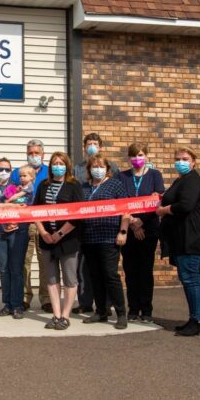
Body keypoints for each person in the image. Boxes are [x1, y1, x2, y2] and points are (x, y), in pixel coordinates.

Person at [157, 147, 200, 336]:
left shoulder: (193, 180)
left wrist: (164, 210)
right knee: (187, 278)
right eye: (178, 158)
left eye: (185, 158)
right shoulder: (181, 180)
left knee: (191, 279)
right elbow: (170, 198)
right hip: (180, 238)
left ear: (193, 162)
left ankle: (197, 320)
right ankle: (193, 318)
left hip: (191, 237)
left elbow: (186, 205)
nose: (180, 162)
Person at [34, 152, 85, 330]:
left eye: (61, 163)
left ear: (67, 166)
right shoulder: (43, 185)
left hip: (68, 239)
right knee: (52, 278)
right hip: (47, 239)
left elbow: (78, 214)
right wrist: (43, 232)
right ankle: (56, 314)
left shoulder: (74, 185)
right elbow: (35, 211)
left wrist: (60, 234)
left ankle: (65, 315)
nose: (58, 166)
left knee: (70, 278)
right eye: (55, 163)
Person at [80, 154, 130, 330]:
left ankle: (121, 313)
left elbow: (126, 209)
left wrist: (123, 231)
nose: (97, 169)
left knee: (110, 275)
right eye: (94, 166)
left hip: (109, 237)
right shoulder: (84, 187)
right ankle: (100, 311)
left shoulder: (115, 185)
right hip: (88, 238)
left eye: (101, 166)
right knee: (95, 276)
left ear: (107, 169)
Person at [72, 132, 120, 314]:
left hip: (106, 225)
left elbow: (116, 193)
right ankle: (85, 302)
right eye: (89, 143)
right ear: (84, 147)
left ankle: (106, 305)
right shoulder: (77, 168)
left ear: (100, 147)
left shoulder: (112, 166)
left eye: (95, 143)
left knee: (107, 269)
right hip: (85, 226)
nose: (92, 146)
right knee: (84, 268)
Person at [117, 143, 165, 323]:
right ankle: (133, 309)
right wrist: (132, 223)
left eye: (140, 154)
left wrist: (141, 222)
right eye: (134, 155)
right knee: (130, 271)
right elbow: (121, 202)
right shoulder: (122, 176)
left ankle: (146, 310)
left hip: (148, 230)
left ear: (146, 156)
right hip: (128, 229)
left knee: (145, 270)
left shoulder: (155, 175)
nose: (137, 158)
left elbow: (157, 200)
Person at [0, 158, 29, 320]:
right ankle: (7, 303)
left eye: (7, 169)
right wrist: (9, 206)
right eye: (1, 169)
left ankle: (17, 305)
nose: (4, 172)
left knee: (16, 269)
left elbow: (22, 206)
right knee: (4, 270)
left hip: (18, 232)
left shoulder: (16, 187)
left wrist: (1, 206)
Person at [10, 139, 50, 312]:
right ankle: (25, 297)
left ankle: (46, 298)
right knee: (24, 262)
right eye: (31, 153)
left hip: (44, 223)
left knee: (45, 261)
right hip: (23, 222)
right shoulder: (17, 173)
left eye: (37, 153)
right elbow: (9, 196)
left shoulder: (50, 172)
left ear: (43, 154)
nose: (34, 156)